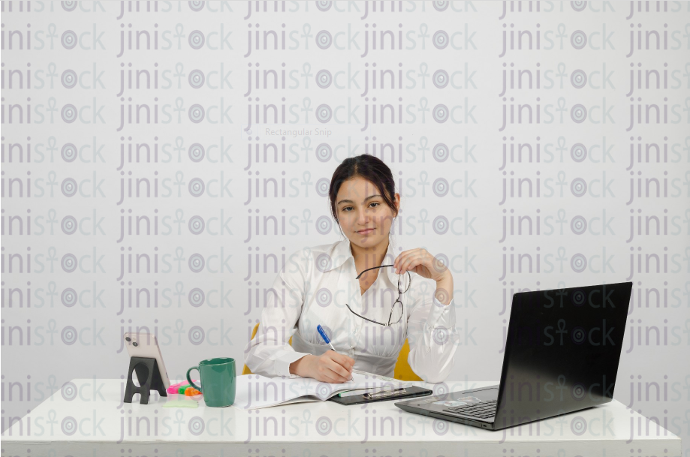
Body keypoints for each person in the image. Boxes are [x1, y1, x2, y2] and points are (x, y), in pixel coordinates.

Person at [244, 155, 458, 383]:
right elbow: (260, 349)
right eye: (348, 208)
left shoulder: (415, 281)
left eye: (373, 204)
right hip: (308, 408)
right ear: (337, 214)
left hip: (377, 412)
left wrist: (444, 281)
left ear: (395, 204)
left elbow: (433, 372)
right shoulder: (305, 265)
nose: (362, 219)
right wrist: (309, 364)